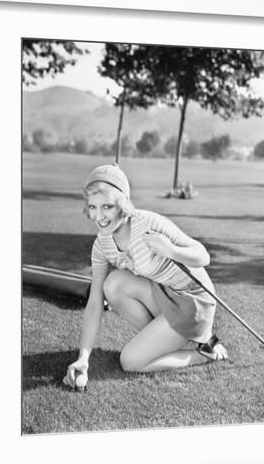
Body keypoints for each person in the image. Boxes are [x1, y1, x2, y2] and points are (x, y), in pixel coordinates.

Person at [64, 164, 227, 388]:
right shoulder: (101, 245)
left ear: (122, 204)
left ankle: (204, 353)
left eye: (107, 206)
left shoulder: (148, 223)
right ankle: (162, 339)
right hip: (164, 295)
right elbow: (94, 303)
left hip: (193, 301)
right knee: (112, 284)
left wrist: (170, 250)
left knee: (130, 361)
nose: (99, 216)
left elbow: (203, 256)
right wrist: (83, 358)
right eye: (93, 207)